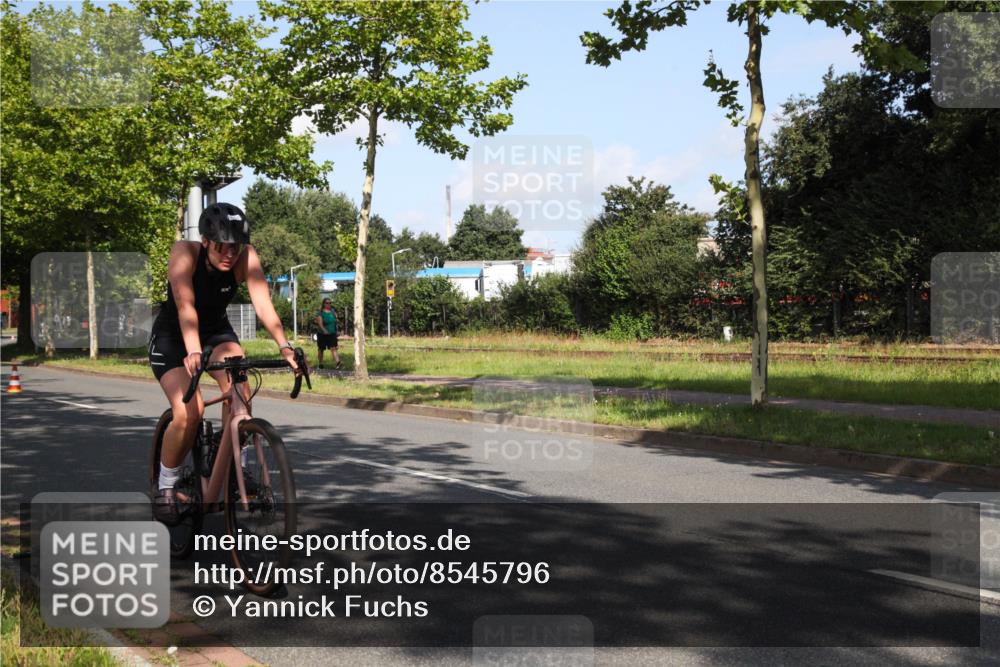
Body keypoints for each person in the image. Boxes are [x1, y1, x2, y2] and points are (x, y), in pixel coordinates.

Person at [148, 203, 300, 525]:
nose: (230, 253)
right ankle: (165, 486)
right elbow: (185, 305)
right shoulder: (184, 253)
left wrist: (285, 347)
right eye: (221, 245)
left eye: (236, 245)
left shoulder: (247, 258)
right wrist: (192, 351)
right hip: (175, 337)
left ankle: (231, 456)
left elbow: (264, 306)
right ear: (205, 241)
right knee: (190, 410)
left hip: (216, 331)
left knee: (240, 389)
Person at [314, 297, 341, 369]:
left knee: (333, 348)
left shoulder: (333, 311)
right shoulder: (320, 313)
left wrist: (337, 330)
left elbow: (336, 322)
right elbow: (320, 324)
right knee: (321, 349)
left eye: (330, 303)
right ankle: (320, 363)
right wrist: (324, 331)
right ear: (323, 304)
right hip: (322, 334)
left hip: (332, 333)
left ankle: (338, 363)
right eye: (327, 303)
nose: (329, 304)